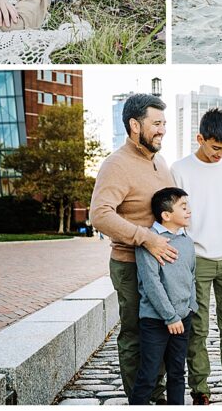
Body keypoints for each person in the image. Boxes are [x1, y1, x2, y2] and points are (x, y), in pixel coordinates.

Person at [89, 93, 177, 401]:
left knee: (165, 330)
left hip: (162, 263)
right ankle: (139, 399)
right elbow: (99, 215)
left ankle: (157, 393)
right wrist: (146, 238)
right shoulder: (116, 164)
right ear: (134, 125)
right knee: (136, 334)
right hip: (130, 264)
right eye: (156, 123)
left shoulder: (161, 161)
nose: (162, 130)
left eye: (164, 123)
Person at [171, 108, 222, 405]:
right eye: (216, 147)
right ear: (200, 138)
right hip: (198, 260)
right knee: (198, 329)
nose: (221, 154)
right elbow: (176, 218)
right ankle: (200, 390)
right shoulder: (180, 169)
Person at [130, 187, 197, 406]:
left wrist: (190, 308)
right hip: (156, 320)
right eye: (183, 207)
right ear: (166, 215)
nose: (189, 211)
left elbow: (191, 276)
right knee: (149, 375)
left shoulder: (187, 241)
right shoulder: (150, 242)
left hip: (182, 318)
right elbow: (151, 284)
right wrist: (170, 317)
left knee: (177, 373)